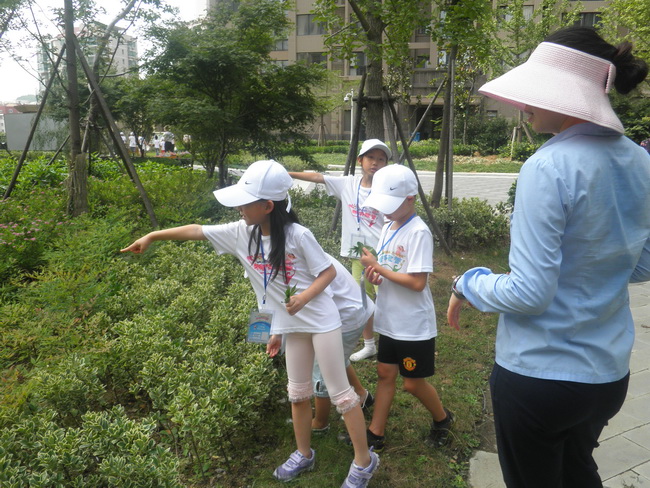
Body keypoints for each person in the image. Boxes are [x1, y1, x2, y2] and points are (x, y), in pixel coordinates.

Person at [447, 26, 650, 488]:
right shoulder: (640, 160)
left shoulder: (549, 166)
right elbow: (644, 263)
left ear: (567, 95)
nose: (523, 102)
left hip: (540, 377)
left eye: (535, 91)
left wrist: (466, 282)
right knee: (578, 471)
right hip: (606, 377)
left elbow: (530, 292)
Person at [121, 160, 379, 487]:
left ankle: (364, 461)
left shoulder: (299, 235)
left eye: (245, 201)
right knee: (297, 393)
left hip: (322, 320)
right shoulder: (242, 233)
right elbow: (196, 231)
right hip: (291, 324)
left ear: (267, 206)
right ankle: (303, 453)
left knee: (341, 395)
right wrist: (153, 235)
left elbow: (327, 272)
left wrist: (303, 298)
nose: (239, 208)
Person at [354, 164, 454, 452]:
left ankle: (443, 418)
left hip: (412, 326)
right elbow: (389, 268)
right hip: (389, 319)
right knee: (385, 374)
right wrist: (377, 273)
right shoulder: (389, 225)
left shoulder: (419, 232)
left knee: (412, 383)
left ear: (410, 199)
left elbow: (417, 283)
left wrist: (378, 268)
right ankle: (375, 433)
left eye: (391, 204)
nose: (385, 211)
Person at [289, 139, 391, 362]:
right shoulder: (348, 184)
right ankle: (370, 344)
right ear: (360, 160)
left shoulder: (388, 189)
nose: (375, 163)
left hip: (383, 255)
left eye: (381, 159)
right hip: (358, 256)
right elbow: (319, 177)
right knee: (361, 299)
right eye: (371, 158)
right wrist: (290, 174)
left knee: (387, 298)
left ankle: (392, 340)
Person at [308, 256, 376, 433]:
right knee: (337, 358)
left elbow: (318, 302)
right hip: (354, 308)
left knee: (322, 369)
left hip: (345, 317)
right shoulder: (303, 247)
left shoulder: (299, 259)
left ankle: (320, 423)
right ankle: (363, 396)